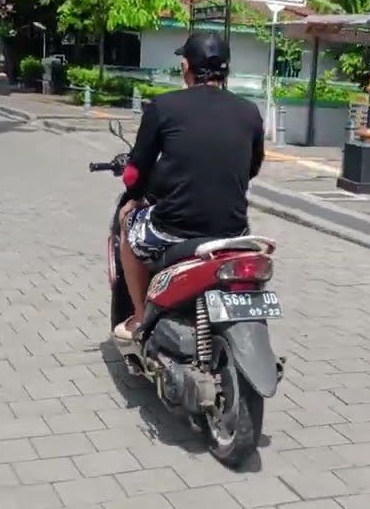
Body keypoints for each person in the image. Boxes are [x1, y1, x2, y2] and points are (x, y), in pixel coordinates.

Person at [112, 31, 265, 342]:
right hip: (233, 231)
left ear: (186, 66)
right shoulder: (250, 112)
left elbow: (134, 173)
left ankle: (140, 317)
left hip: (174, 228)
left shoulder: (163, 106)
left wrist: (134, 198)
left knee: (127, 223)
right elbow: (252, 168)